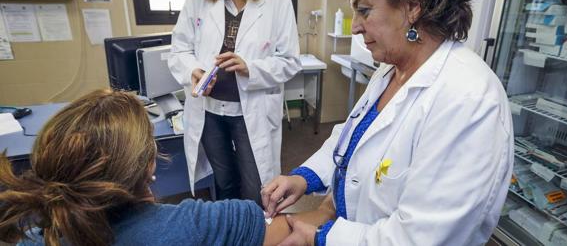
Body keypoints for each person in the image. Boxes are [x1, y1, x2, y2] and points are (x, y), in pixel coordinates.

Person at [262, 0, 513, 246]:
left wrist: (323, 238)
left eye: (364, 9)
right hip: (354, 225)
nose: (355, 25)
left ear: (412, 7)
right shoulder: (392, 70)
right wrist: (304, 177)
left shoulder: (470, 100)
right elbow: (350, 137)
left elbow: (420, 237)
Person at [0, 89, 334, 246]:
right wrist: (329, 208)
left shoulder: (34, 238)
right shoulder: (199, 223)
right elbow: (287, 229)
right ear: (149, 165)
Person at [168, 0, 301, 206]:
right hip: (210, 111)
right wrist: (194, 70)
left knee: (255, 187)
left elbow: (289, 62)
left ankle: (254, 231)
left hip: (249, 111)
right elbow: (179, 48)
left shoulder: (277, 0)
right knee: (224, 183)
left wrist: (249, 67)